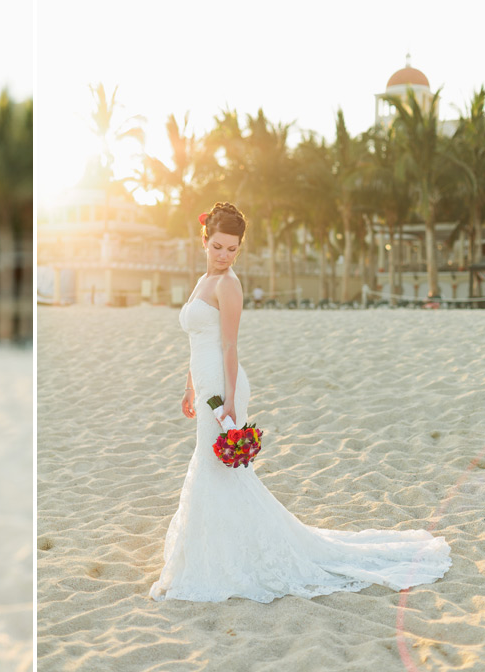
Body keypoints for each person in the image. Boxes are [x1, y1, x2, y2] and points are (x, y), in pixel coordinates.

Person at [149, 202, 451, 603]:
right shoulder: (204, 280)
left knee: (215, 468)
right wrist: (188, 387)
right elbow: (196, 343)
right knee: (216, 471)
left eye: (232, 249)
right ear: (204, 240)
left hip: (224, 389)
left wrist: (233, 408)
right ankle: (220, 548)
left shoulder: (228, 285)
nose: (224, 256)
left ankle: (225, 556)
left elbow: (229, 346)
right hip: (204, 387)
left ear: (239, 249)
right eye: (218, 247)